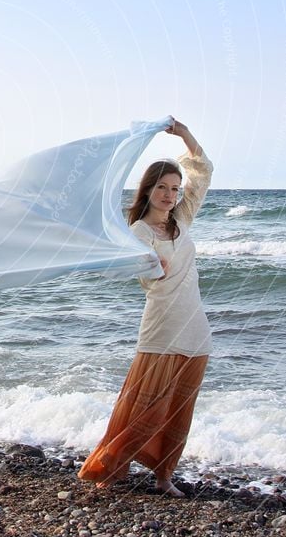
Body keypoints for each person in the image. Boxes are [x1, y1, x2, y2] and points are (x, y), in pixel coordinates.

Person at [77, 118, 214, 497]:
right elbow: (137, 271)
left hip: (196, 328)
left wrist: (185, 134)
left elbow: (202, 171)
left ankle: (164, 476)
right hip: (161, 326)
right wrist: (154, 267)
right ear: (148, 190)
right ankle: (112, 465)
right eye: (162, 188)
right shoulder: (137, 231)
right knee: (144, 403)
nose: (170, 195)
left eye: (175, 188)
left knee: (178, 409)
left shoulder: (181, 221)